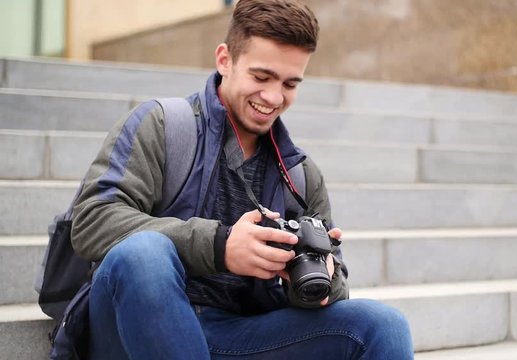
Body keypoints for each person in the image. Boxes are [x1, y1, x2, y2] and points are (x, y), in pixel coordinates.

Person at [70, 0, 413, 358]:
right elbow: (93, 221)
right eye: (261, 77)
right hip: (135, 325)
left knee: (383, 325)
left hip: (237, 334)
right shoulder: (161, 126)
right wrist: (221, 246)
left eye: (290, 83)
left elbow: (333, 289)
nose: (273, 96)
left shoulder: (299, 174)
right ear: (224, 60)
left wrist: (320, 276)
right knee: (144, 254)